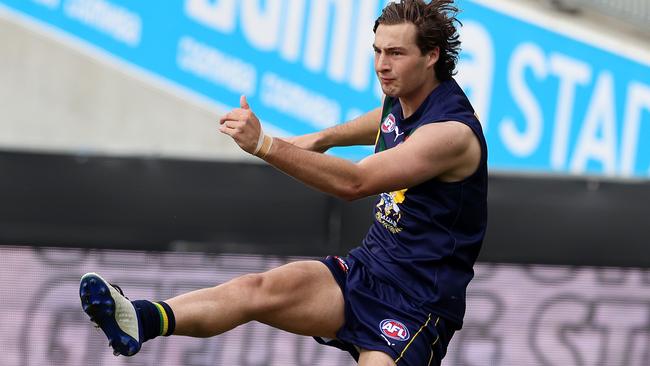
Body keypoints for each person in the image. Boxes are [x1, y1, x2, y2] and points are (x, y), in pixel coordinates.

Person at [79, 1, 487, 364]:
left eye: (396, 53)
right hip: (366, 270)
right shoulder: (403, 97)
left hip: (417, 304)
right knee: (258, 288)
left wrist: (264, 144)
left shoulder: (450, 134)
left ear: (432, 56)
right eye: (378, 51)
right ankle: (140, 320)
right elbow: (383, 118)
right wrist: (324, 137)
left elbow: (356, 183)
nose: (382, 64)